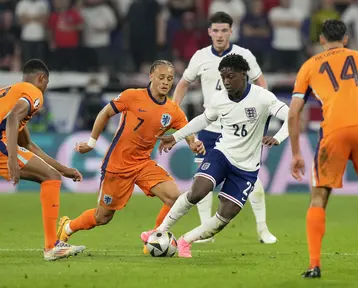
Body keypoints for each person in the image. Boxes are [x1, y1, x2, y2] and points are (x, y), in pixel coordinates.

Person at [141, 54, 289, 257]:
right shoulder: (219, 98)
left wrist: (279, 138)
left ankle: (186, 241)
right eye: (223, 77)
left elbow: (291, 115)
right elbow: (204, 119)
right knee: (197, 192)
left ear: (243, 75)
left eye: (231, 76)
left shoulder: (262, 97)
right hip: (222, 154)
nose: (226, 81)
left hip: (246, 168)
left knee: (225, 216)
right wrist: (176, 137)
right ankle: (159, 231)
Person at [56, 60, 205, 251]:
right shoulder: (132, 96)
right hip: (117, 165)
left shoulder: (172, 110)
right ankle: (68, 227)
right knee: (103, 217)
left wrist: (194, 144)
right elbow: (104, 113)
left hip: (143, 164)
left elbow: (187, 130)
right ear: (151, 77)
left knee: (174, 197)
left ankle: (154, 236)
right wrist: (91, 143)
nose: (166, 82)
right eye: (161, 77)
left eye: (169, 78)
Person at [288, 19, 358, 279]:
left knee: (319, 196)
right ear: (346, 38)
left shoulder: (309, 66)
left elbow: (294, 113)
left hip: (334, 131)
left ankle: (314, 264)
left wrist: (296, 153)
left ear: (321, 40)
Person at [172, 11, 276, 244]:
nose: (219, 35)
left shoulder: (244, 55)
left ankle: (262, 229)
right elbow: (182, 85)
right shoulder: (200, 57)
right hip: (209, 127)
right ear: (209, 32)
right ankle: (204, 233)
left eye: (224, 30)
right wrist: (173, 112)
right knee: (202, 181)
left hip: (239, 127)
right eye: (215, 30)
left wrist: (261, 117)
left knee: (251, 179)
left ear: (231, 31)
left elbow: (261, 84)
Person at [0, 59, 85, 261]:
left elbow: (28, 145)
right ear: (42, 78)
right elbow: (12, 119)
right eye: (46, 84)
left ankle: (52, 245)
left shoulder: (11, 93)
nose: (44, 89)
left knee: (52, 175)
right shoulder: (33, 92)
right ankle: (51, 246)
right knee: (50, 177)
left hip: (4, 140)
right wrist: (12, 157)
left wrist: (64, 170)